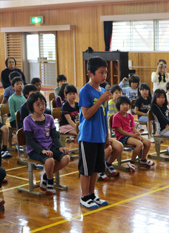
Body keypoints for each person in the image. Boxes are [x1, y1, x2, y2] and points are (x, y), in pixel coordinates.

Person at [78, 56, 111, 209]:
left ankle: (92, 195)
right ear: (90, 73)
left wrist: (107, 135)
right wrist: (99, 100)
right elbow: (86, 114)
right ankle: (84, 196)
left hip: (100, 135)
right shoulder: (85, 91)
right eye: (101, 72)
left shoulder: (103, 91)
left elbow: (105, 116)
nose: (104, 76)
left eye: (105, 72)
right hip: (87, 136)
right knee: (86, 169)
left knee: (96, 168)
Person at [23, 92, 70, 194]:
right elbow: (30, 140)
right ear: (32, 106)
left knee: (66, 158)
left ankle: (45, 175)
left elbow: (54, 136)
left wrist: (60, 147)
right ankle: (49, 181)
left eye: (43, 103)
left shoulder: (49, 118)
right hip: (35, 149)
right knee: (50, 161)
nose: (41, 106)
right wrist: (42, 150)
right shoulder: (27, 120)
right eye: (38, 104)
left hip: (49, 146)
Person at [113, 96, 154, 172]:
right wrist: (133, 135)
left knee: (147, 142)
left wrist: (138, 134)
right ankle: (132, 162)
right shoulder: (116, 116)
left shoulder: (130, 116)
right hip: (122, 137)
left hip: (131, 135)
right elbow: (120, 131)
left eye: (127, 104)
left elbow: (133, 128)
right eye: (123, 104)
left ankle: (143, 159)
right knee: (139, 144)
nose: (125, 106)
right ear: (118, 106)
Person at [151, 89, 169, 159]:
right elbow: (161, 117)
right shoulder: (154, 106)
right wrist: (166, 125)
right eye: (159, 97)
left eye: (163, 97)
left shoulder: (164, 106)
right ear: (155, 98)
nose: (161, 99)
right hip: (162, 129)